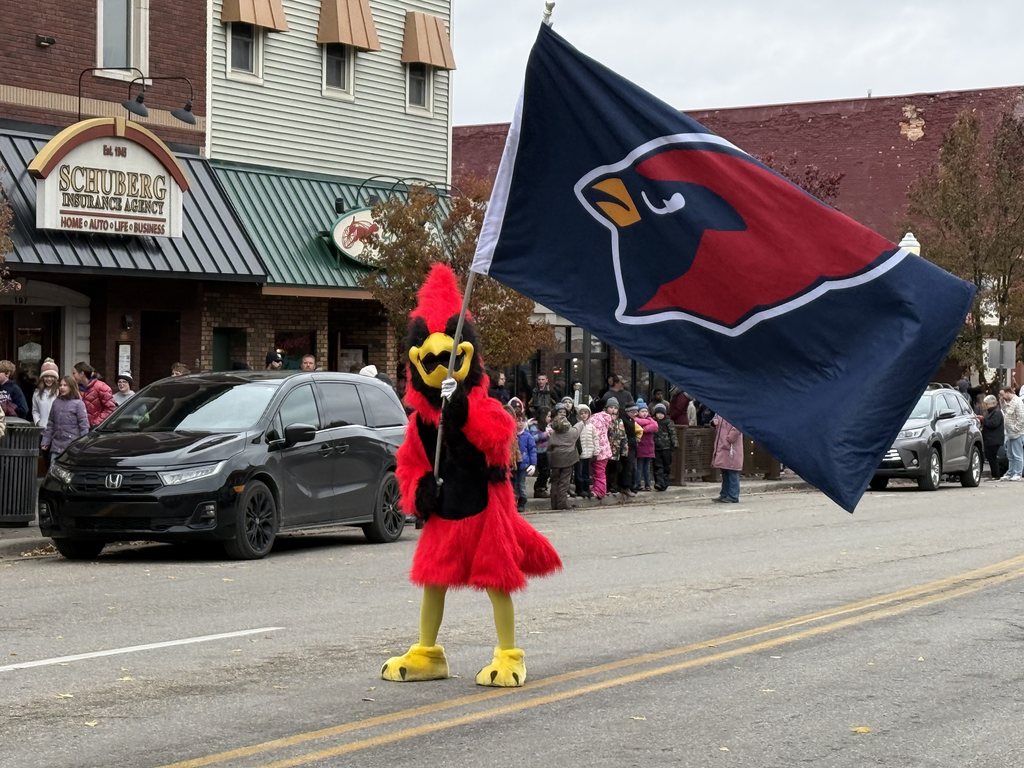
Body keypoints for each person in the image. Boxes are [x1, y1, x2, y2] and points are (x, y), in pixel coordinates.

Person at [546, 403, 584, 510]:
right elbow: (580, 424)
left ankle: (554, 503)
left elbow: (549, 446)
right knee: (564, 482)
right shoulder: (572, 433)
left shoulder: (554, 434)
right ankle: (562, 503)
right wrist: (578, 414)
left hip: (555, 459)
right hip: (568, 459)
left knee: (555, 481)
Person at [40, 375, 89, 458]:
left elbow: (84, 426)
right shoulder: (56, 402)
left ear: (71, 387)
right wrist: (45, 441)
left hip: (72, 447)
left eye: (65, 385)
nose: (62, 387)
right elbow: (50, 423)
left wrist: (83, 445)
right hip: (56, 446)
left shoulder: (78, 404)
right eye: (60, 385)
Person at [72, 362, 116, 428]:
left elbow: (110, 408)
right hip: (80, 428)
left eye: (74, 373)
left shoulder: (101, 387)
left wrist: (95, 423)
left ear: (82, 373)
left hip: (95, 429)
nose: (73, 376)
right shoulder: (75, 388)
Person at [711, 414, 743, 503]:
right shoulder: (720, 412)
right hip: (723, 445)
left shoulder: (735, 413)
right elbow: (715, 420)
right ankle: (724, 494)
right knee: (725, 471)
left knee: (732, 471)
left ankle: (733, 495)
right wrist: (714, 423)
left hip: (731, 447)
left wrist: (729, 438)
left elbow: (737, 428)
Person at [998, 386, 1024, 481]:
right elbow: (1006, 412)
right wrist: (1002, 403)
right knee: (1010, 455)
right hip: (1009, 433)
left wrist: (1016, 428)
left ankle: (1017, 473)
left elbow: (1021, 417)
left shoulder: (1017, 402)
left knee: (1017, 454)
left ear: (1008, 392)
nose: (1002, 396)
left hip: (1016, 433)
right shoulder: (1009, 403)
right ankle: (1010, 472)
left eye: (1002, 394)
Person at [652, 402, 679, 491]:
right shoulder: (653, 422)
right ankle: (659, 483)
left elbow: (673, 433)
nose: (659, 415)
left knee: (666, 466)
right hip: (656, 447)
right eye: (658, 413)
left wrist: (675, 443)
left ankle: (665, 483)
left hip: (666, 448)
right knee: (657, 466)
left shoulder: (668, 422)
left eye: (661, 413)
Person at [514, 413, 538, 513]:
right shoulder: (512, 435)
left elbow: (532, 450)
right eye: (518, 420)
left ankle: (522, 501)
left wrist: (533, 464)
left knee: (521, 483)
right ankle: (513, 501)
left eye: (522, 421)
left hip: (523, 464)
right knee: (513, 484)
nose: (520, 423)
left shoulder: (528, 436)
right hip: (513, 464)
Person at [633, 401, 659, 491]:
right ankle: (638, 484)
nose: (644, 413)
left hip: (649, 448)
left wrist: (643, 429)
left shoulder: (650, 420)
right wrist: (647, 425)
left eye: (645, 411)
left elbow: (655, 426)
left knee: (647, 468)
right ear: (638, 412)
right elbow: (638, 423)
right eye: (642, 411)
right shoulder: (636, 420)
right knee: (639, 467)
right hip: (640, 447)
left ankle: (647, 484)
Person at [978, 394, 1004, 480]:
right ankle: (995, 475)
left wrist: (983, 420)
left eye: (986, 404)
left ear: (991, 404)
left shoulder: (997, 413)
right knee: (990, 457)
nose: (984, 406)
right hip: (990, 439)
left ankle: (996, 475)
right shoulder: (991, 412)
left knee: (992, 457)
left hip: (994, 439)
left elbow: (993, 424)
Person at [529, 407, 552, 498]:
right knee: (543, 471)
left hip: (545, 451)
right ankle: (539, 488)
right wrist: (545, 434)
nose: (550, 418)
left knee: (546, 471)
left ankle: (542, 487)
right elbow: (533, 438)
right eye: (548, 416)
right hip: (538, 452)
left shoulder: (547, 425)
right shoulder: (534, 425)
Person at [574, 402, 595, 498]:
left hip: (589, 452)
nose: (584, 415)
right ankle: (580, 489)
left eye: (586, 413)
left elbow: (595, 438)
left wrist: (596, 450)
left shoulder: (591, 426)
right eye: (581, 413)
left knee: (587, 472)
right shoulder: (577, 426)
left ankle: (587, 488)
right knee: (579, 472)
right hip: (579, 453)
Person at [33, 359, 60, 428]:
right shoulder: (37, 393)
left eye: (52, 376)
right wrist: (38, 422)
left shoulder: (59, 392)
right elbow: (35, 410)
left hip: (57, 429)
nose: (49, 379)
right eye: (46, 376)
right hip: (42, 429)